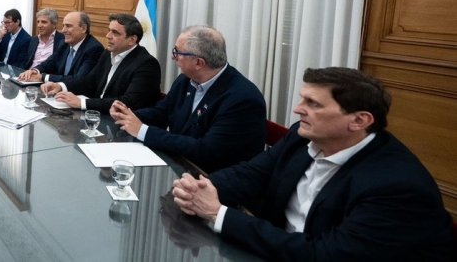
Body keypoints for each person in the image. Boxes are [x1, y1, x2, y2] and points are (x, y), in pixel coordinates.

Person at [171, 67, 455, 261]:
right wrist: (197, 188)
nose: (298, 109)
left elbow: (324, 255)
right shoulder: (301, 135)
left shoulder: (395, 186)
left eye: (313, 103)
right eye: (302, 98)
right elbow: (252, 174)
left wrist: (217, 213)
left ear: (359, 120)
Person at [110, 26, 266, 172]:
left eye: (177, 52)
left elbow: (206, 151)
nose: (173, 57)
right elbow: (162, 112)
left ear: (198, 62)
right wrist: (128, 115)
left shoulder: (243, 99)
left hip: (212, 180)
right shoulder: (186, 80)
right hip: (181, 165)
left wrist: (144, 131)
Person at [41, 13, 162, 114]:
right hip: (98, 115)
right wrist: (60, 86)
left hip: (123, 126)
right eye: (109, 31)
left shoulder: (147, 64)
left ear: (132, 40)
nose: (108, 36)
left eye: (115, 33)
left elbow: (128, 102)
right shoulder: (107, 54)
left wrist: (82, 103)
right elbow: (89, 82)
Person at [18, 11, 103, 85]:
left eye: (68, 26)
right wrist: (35, 71)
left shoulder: (94, 49)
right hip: (58, 92)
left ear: (83, 28)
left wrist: (43, 77)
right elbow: (50, 63)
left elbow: (79, 80)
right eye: (63, 26)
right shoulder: (63, 44)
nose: (63, 30)